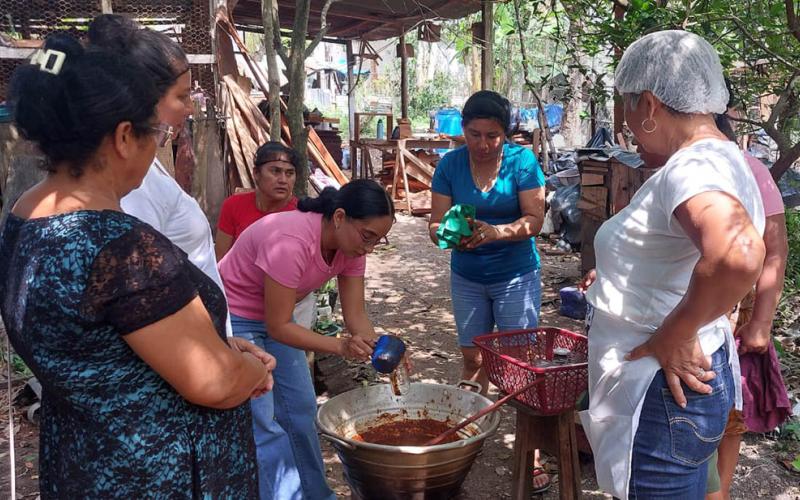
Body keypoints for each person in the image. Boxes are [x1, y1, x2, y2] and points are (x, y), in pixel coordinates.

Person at [1, 35, 274, 497]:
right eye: (157, 132)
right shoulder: (121, 247)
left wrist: (219, 347)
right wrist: (250, 370)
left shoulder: (24, 216)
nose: (159, 145)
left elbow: (111, 344)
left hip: (83, 462)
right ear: (125, 137)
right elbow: (215, 382)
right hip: (155, 476)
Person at [577, 30, 766, 499]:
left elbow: (736, 255)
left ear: (649, 104)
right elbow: (686, 258)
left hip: (662, 396)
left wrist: (676, 332)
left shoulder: (691, 167)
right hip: (676, 390)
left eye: (626, 107)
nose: (624, 123)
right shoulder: (725, 159)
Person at [218, 179, 394, 500]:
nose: (369, 247)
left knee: (301, 410)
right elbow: (280, 326)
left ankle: (317, 494)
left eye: (378, 241)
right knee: (264, 422)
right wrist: (341, 346)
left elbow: (356, 318)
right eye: (367, 237)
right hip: (235, 316)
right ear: (339, 217)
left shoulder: (352, 247)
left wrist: (381, 351)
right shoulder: (291, 241)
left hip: (275, 318)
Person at [427, 90, 548, 492]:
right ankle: (470, 438)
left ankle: (530, 452)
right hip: (467, 275)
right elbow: (435, 224)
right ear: (462, 130)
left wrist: (497, 232)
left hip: (516, 275)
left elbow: (535, 219)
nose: (482, 144)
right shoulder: (449, 164)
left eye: (492, 135)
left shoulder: (522, 161)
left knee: (519, 364)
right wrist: (449, 236)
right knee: (472, 358)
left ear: (505, 133)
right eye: (475, 134)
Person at [86, 14, 231, 334]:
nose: (191, 108)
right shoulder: (132, 185)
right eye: (181, 96)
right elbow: (141, 303)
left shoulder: (144, 167)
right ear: (143, 100)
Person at [215, 141, 299, 260]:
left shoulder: (300, 214)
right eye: (275, 171)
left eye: (289, 173)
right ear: (256, 173)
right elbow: (220, 259)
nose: (283, 180)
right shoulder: (234, 205)